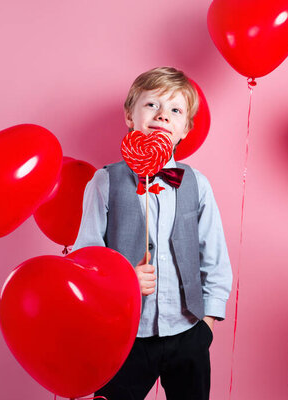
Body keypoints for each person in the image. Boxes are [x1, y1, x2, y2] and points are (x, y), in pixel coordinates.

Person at [73, 66, 232, 400]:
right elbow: (85, 260)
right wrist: (123, 280)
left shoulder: (197, 184)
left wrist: (208, 324)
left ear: (185, 129)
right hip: (126, 336)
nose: (162, 115)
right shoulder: (105, 182)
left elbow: (214, 256)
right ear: (130, 116)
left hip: (188, 329)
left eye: (175, 110)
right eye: (152, 105)